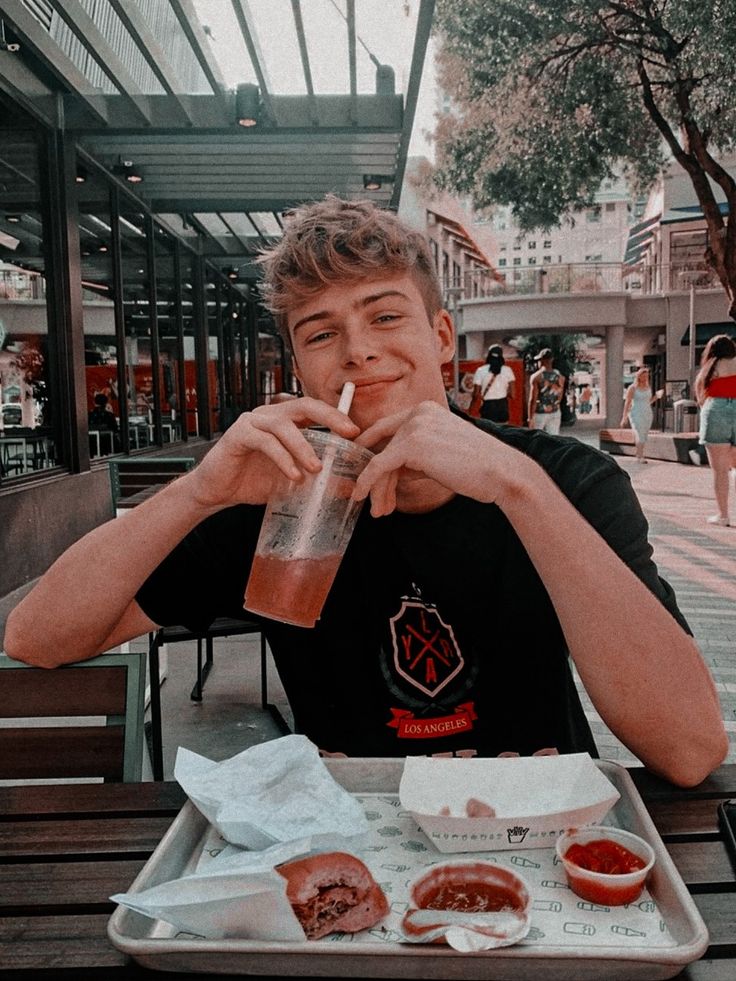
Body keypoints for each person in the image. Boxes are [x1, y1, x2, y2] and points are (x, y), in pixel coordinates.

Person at [4, 196, 726, 787]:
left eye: (385, 316)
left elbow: (690, 749)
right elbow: (36, 635)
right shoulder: (281, 501)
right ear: (298, 364)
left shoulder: (564, 480)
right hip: (357, 850)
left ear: (441, 335)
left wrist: (518, 487)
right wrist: (198, 491)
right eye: (321, 334)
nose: (358, 349)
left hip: (531, 836)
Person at [694, 333, 736, 527]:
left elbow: (701, 397)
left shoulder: (710, 368)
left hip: (716, 409)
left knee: (720, 470)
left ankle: (723, 515)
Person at [620, 368, 663, 464]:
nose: (645, 377)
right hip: (636, 413)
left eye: (647, 376)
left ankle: (638, 452)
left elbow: (648, 402)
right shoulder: (632, 388)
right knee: (639, 433)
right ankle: (641, 455)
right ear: (639, 376)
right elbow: (627, 402)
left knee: (644, 434)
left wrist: (656, 397)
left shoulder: (648, 387)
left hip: (647, 413)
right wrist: (624, 416)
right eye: (643, 375)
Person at [471, 345, 516, 422]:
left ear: (488, 356)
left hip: (488, 407)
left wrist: (470, 409)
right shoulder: (508, 370)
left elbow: (475, 394)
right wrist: (502, 393)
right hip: (503, 406)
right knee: (502, 432)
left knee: (487, 431)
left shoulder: (480, 370)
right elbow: (512, 395)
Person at [527, 348, 565, 434]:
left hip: (539, 413)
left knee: (536, 438)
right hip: (555, 412)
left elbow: (532, 399)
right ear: (552, 360)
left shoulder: (536, 377)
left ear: (542, 360)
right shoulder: (560, 377)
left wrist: (530, 418)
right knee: (554, 439)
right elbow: (560, 397)